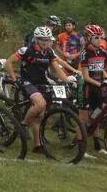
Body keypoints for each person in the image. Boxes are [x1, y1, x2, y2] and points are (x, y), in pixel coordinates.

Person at [4, 26, 72, 155]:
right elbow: (8, 63)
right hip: (27, 81)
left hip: (42, 82)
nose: (45, 42)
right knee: (41, 104)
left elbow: (57, 68)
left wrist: (68, 80)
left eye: (47, 40)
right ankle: (22, 125)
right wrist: (14, 79)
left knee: (39, 115)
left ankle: (37, 145)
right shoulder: (26, 50)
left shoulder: (49, 52)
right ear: (36, 39)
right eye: (42, 40)